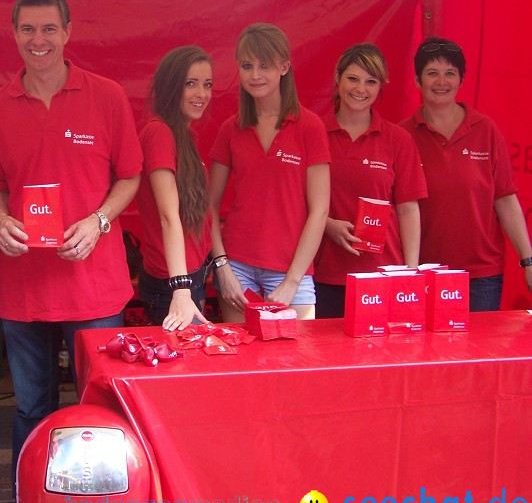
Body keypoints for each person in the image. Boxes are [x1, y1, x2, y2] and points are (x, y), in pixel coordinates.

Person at [0, 0, 142, 497]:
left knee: (100, 407)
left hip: (95, 287)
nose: (38, 39)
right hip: (26, 288)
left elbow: (130, 176)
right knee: (31, 407)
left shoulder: (107, 95)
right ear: (14, 34)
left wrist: (98, 221)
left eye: (49, 28)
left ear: (68, 32)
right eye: (28, 29)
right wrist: (0, 218)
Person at [208, 23, 330, 320]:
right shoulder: (231, 128)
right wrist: (221, 266)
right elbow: (208, 206)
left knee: (296, 363)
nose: (255, 75)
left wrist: (292, 282)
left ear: (284, 67)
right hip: (237, 266)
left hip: (291, 269)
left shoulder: (309, 126)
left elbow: (320, 210)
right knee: (242, 363)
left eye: (265, 65)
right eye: (247, 66)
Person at [401, 36, 532, 311]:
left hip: (481, 275)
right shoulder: (403, 136)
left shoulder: (485, 129)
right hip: (424, 272)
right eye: (432, 74)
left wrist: (528, 260)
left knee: (480, 352)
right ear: (417, 80)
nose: (442, 82)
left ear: (461, 80)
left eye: (450, 74)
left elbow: (505, 200)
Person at [313, 44, 427, 318]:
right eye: (353, 78)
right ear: (337, 78)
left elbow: (408, 210)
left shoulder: (398, 140)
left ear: (380, 87)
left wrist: (410, 272)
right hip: (322, 275)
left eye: (371, 81)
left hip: (383, 275)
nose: (360, 89)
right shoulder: (314, 132)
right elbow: (293, 200)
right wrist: (327, 225)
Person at [137, 45, 215, 330]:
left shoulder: (182, 135)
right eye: (190, 83)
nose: (202, 94)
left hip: (190, 276)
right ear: (171, 86)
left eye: (207, 85)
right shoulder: (159, 133)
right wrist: (181, 289)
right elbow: (168, 215)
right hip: (173, 283)